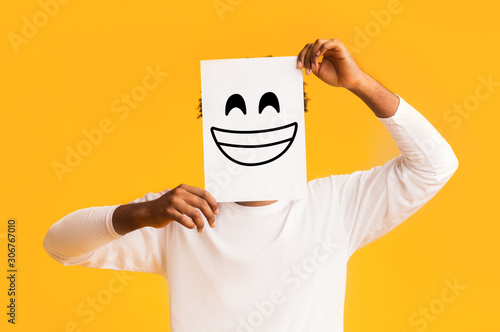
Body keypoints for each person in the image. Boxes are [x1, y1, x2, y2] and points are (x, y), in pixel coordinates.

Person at [43, 38, 459, 331]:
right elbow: (58, 245)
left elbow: (436, 165)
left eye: (271, 111)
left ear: (296, 123)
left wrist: (361, 83)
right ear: (211, 128)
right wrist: (141, 213)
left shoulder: (335, 205)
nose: (253, 125)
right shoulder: (180, 215)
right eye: (235, 112)